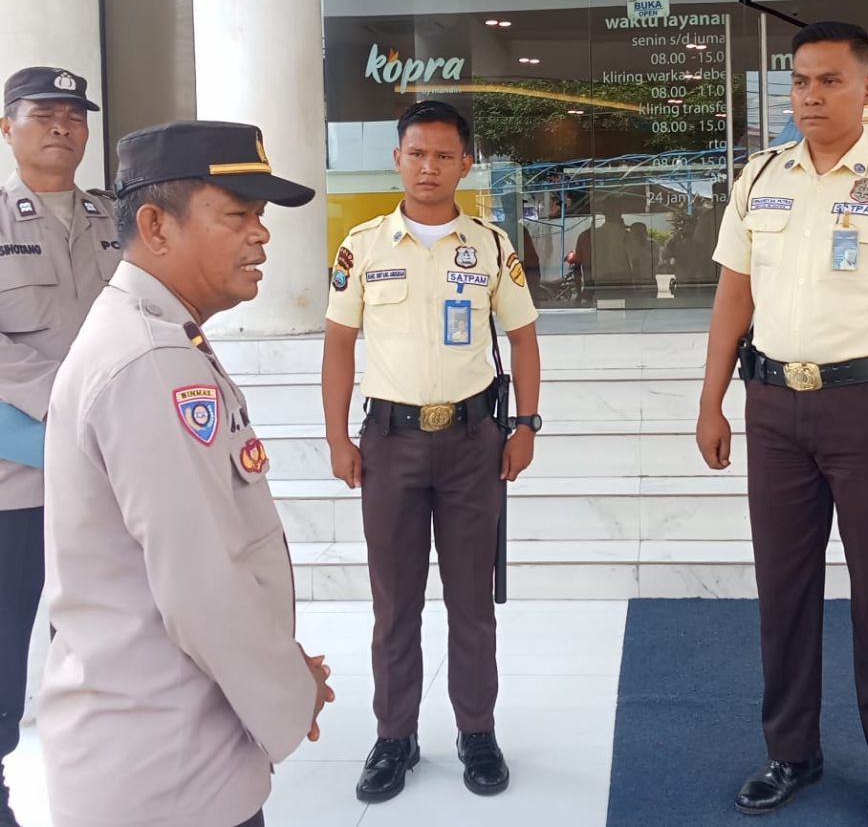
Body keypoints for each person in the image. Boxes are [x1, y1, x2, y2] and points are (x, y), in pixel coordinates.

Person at [697, 22, 868, 827]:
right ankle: (792, 753)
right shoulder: (759, 178)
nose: (810, 95)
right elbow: (731, 302)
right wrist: (710, 401)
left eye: (830, 81)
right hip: (774, 408)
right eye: (801, 81)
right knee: (783, 589)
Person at [39, 121, 334, 827]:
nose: (261, 236)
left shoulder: (158, 335)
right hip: (166, 771)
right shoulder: (150, 361)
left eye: (260, 218)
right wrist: (293, 692)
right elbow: (204, 584)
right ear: (155, 226)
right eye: (237, 215)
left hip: (163, 748)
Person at [322, 100, 541, 805]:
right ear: (398, 159)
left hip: (474, 443)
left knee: (473, 601)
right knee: (395, 604)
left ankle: (476, 732)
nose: (429, 167)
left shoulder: (491, 246)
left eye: (444, 155)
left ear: (465, 164)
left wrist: (527, 424)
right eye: (417, 153)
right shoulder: (363, 247)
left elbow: (524, 337)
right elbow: (338, 346)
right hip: (389, 444)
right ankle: (395, 736)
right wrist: (336, 437)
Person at [0, 66, 119, 826]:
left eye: (74, 116)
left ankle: (105, 774)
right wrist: (72, 402)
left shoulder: (115, 218)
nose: (62, 128)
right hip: (19, 477)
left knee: (100, 637)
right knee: (7, 640)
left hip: (106, 476)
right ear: (6, 127)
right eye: (44, 114)